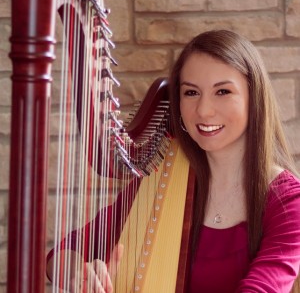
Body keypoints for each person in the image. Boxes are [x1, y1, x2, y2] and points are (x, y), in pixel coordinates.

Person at [47, 29, 300, 292]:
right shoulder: (160, 178)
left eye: (222, 91)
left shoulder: (288, 201)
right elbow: (65, 251)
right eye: (191, 93)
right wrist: (79, 273)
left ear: (254, 99)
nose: (203, 110)